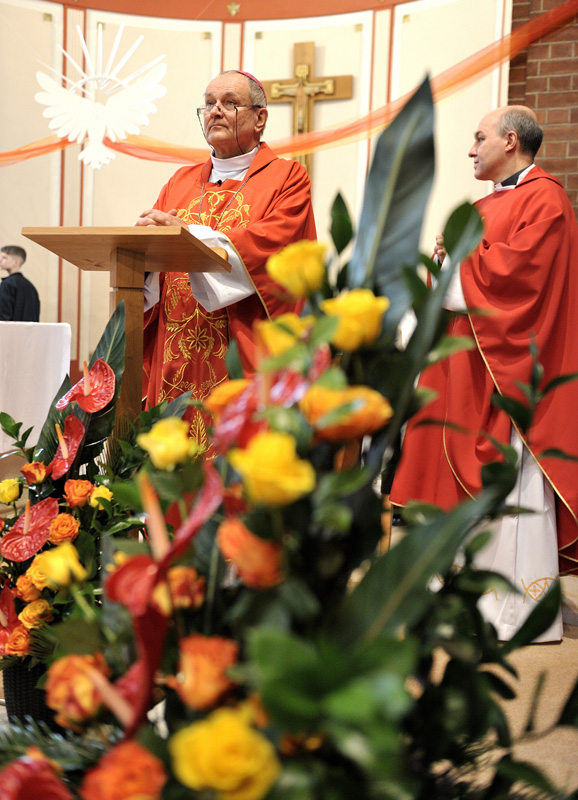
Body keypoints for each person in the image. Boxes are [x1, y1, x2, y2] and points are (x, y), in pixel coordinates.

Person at [390, 105, 578, 641]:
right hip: (465, 367)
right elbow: (463, 276)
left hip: (508, 370)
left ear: (511, 141)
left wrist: (461, 256)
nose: (471, 150)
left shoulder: (546, 199)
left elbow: (521, 279)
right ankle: (463, 601)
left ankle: (513, 613)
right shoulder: (482, 204)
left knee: (509, 488)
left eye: (479, 138)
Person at [136, 70, 316, 447]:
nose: (215, 111)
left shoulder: (288, 177)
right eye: (209, 104)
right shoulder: (179, 182)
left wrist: (188, 237)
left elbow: (271, 246)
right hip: (176, 353)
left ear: (260, 118)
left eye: (229, 103)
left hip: (243, 353)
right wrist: (143, 250)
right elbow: (153, 259)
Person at [0, 246, 40, 322]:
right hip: (30, 330)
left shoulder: (7, 284)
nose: (0, 260)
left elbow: (3, 317)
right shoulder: (31, 287)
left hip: (10, 329)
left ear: (16, 262)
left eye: (4, 258)